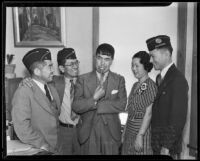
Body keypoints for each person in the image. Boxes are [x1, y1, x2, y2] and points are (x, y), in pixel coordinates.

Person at [19, 48, 81, 155]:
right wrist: (25, 80)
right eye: (71, 64)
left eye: (76, 62)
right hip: (62, 132)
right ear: (61, 68)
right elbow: (37, 78)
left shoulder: (86, 81)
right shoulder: (54, 82)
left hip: (82, 131)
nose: (75, 66)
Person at [72, 43, 127, 155]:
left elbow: (122, 104)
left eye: (107, 59)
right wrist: (93, 99)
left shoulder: (119, 79)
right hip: (88, 132)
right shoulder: (82, 79)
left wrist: (96, 104)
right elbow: (76, 106)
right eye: (99, 58)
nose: (102, 63)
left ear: (112, 61)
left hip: (111, 133)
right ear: (95, 58)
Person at [146, 35, 189, 158]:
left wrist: (166, 147)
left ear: (166, 54)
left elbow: (178, 118)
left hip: (167, 149)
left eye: (153, 56)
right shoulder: (160, 78)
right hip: (158, 145)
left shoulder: (177, 80)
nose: (150, 60)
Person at [11, 48, 61, 153]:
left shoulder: (51, 87)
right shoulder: (23, 92)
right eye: (50, 66)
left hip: (56, 147)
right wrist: (41, 144)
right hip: (39, 149)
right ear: (37, 71)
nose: (53, 70)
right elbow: (22, 127)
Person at [122, 51, 157, 155]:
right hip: (129, 131)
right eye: (132, 65)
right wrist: (124, 132)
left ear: (146, 66)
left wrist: (140, 135)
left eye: (137, 66)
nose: (133, 69)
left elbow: (149, 113)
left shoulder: (151, 86)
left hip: (142, 132)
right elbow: (130, 111)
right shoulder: (135, 85)